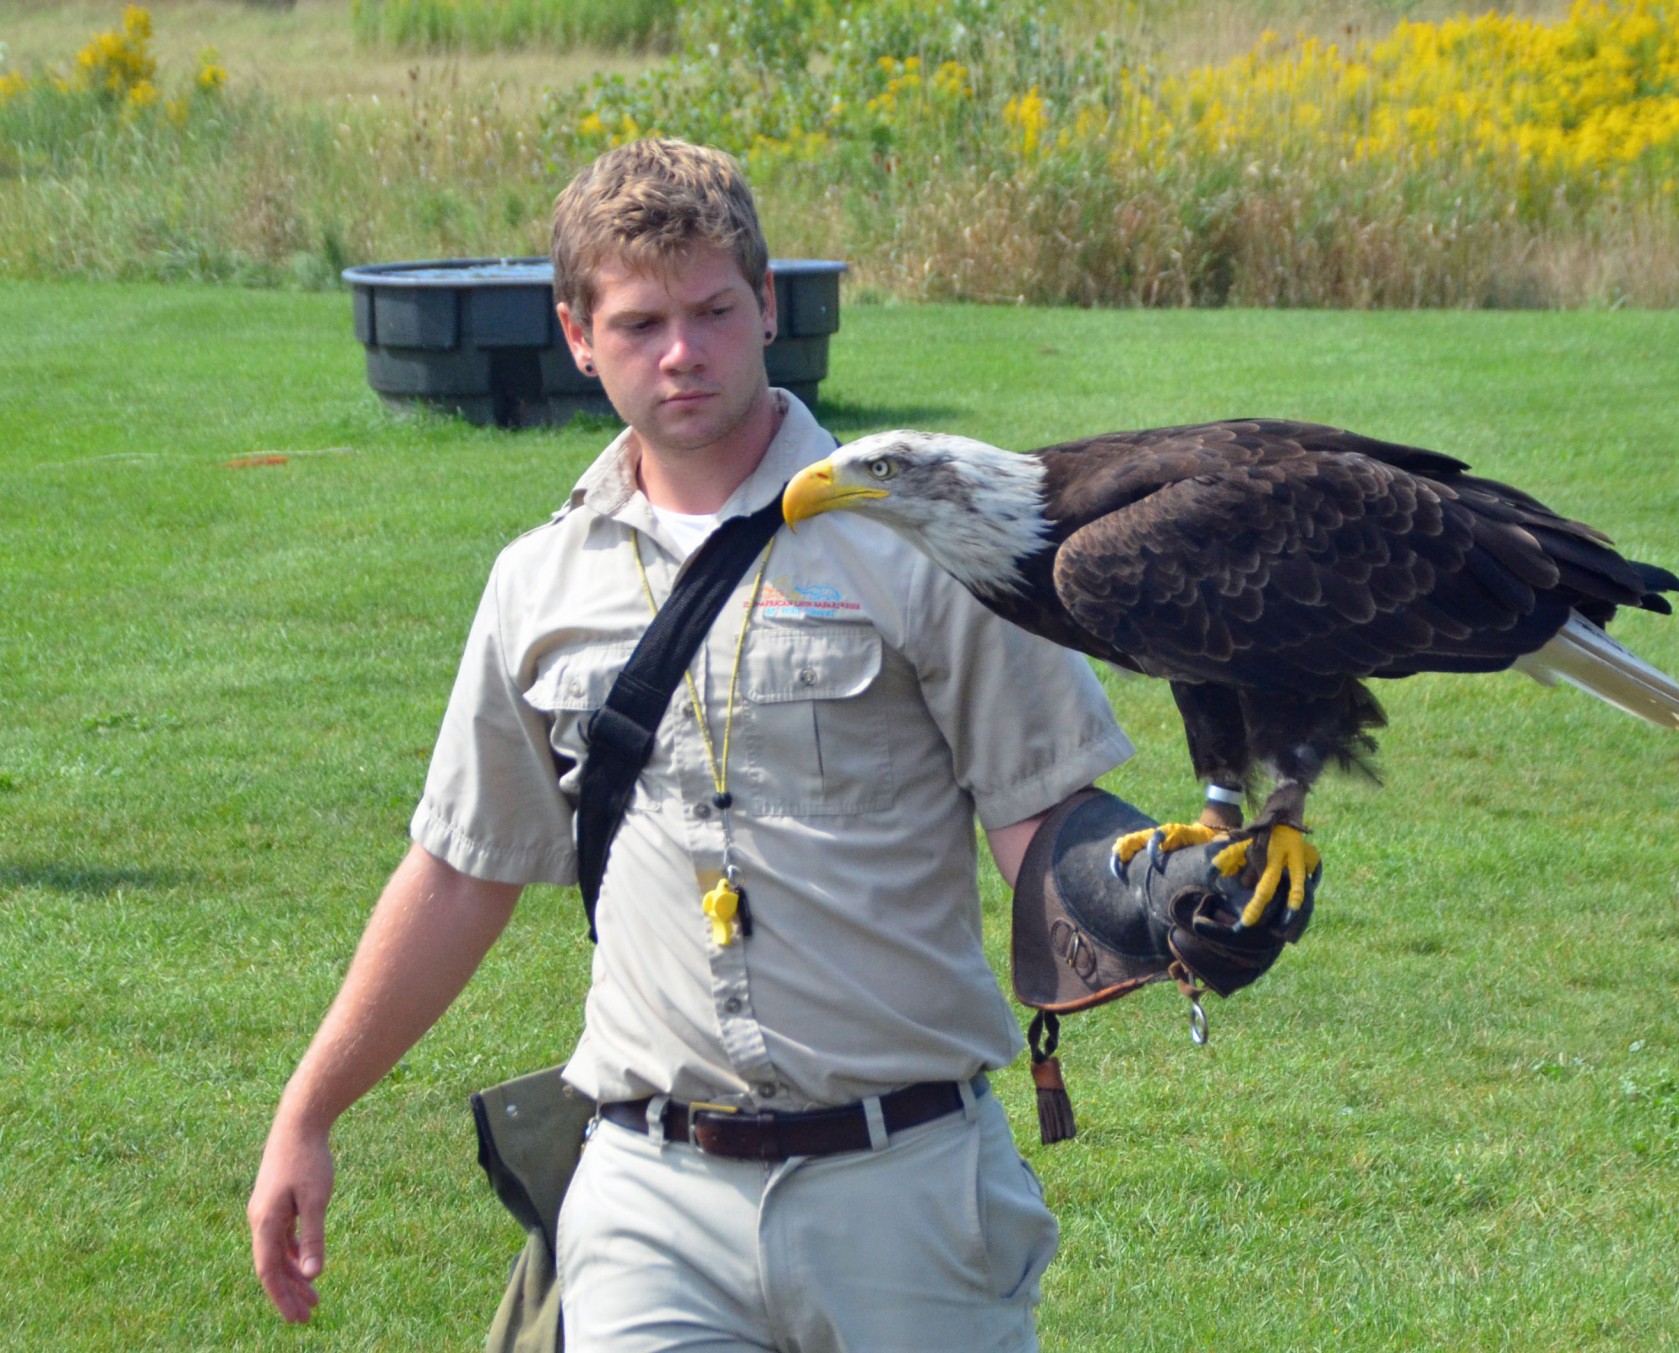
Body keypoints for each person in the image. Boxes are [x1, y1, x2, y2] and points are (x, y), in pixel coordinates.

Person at [247, 138, 1133, 1350]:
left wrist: (1158, 897)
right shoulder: (538, 582)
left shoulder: (920, 536)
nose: (683, 353)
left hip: (904, 1187)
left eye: (716, 311)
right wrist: (309, 1110)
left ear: (768, 306)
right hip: (649, 1195)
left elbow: (1045, 817)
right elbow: (460, 869)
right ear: (575, 335)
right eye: (640, 323)